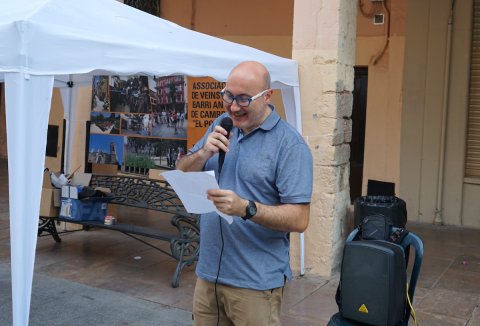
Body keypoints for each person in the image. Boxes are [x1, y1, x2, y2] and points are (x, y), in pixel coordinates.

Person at [176, 61, 313, 326]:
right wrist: (204, 152)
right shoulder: (221, 125)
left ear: (268, 96)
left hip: (254, 284)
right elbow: (182, 171)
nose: (234, 107)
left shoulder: (290, 145)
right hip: (208, 276)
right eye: (228, 96)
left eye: (244, 99)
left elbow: (299, 219)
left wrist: (246, 208)